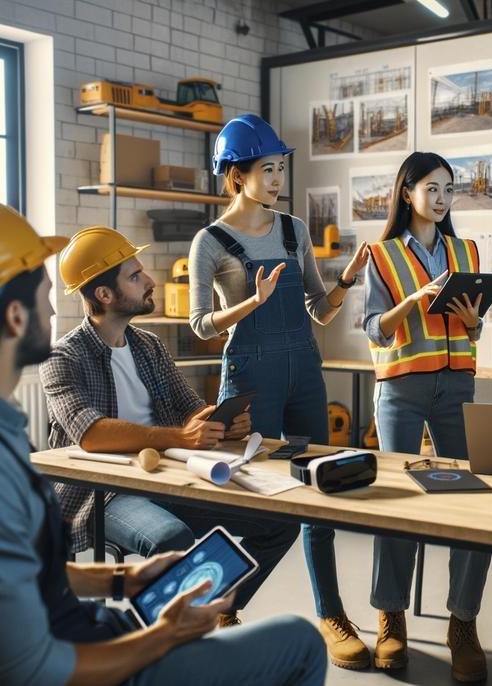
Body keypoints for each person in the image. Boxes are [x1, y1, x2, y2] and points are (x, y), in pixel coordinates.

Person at [0, 190, 326, 685]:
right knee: (299, 641)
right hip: (80, 663)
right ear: (16, 317)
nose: (53, 309)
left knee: (269, 530)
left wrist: (122, 580)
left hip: (76, 630)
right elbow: (33, 671)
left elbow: (14, 574)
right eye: (42, 293)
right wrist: (163, 636)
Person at [41, 225, 301, 626]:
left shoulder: (148, 345)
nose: (150, 281)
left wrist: (220, 423)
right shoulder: (63, 358)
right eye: (135, 275)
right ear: (104, 295)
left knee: (280, 523)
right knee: (171, 539)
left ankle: (217, 613)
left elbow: (189, 410)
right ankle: (164, 645)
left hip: (170, 477)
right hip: (106, 494)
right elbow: (90, 434)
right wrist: (179, 436)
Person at [188, 114, 372, 667]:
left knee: (321, 492)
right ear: (236, 175)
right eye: (267, 169)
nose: (276, 179)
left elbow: (318, 309)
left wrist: (345, 281)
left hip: (303, 373)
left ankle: (331, 611)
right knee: (246, 498)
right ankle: (223, 604)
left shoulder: (294, 229)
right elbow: (200, 324)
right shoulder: (210, 241)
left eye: (280, 168)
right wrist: (251, 303)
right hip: (250, 375)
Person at [362, 151, 492, 681]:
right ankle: (391, 616)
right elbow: (373, 326)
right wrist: (415, 299)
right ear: (407, 192)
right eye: (432, 189)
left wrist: (473, 322)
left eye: (448, 190)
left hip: (457, 383)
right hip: (401, 388)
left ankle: (462, 621)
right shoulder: (382, 255)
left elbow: (475, 329)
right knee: (395, 503)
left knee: (470, 501)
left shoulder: (466, 250)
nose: (441, 200)